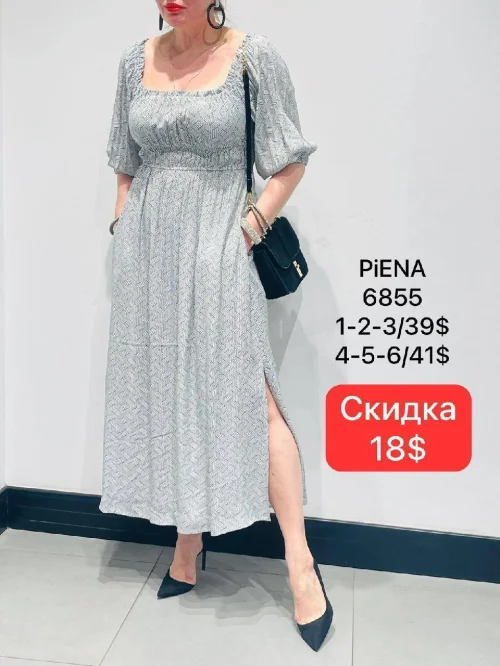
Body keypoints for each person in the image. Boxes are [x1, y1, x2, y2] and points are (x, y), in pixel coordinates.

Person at [99, 0, 332, 651]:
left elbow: (290, 159)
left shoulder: (254, 58)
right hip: (149, 258)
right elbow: (125, 161)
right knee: (173, 395)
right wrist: (124, 228)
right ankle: (187, 546)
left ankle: (301, 566)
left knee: (255, 400)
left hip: (220, 247)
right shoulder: (133, 62)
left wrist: (247, 231)